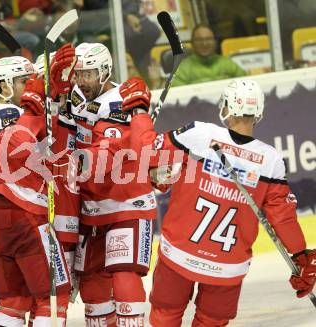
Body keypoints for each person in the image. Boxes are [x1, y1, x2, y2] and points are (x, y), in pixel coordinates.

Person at [121, 78, 316, 326]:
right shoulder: (271, 160)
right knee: (211, 322)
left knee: (165, 315)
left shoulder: (200, 133)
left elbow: (147, 150)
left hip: (179, 255)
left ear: (228, 106)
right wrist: (300, 255)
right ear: (258, 112)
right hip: (227, 267)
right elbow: (283, 217)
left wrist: (138, 111)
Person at [0, 55, 73, 326]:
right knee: (54, 295)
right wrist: (48, 110)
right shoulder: (15, 115)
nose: (31, 87)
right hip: (26, 215)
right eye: (24, 82)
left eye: (32, 81)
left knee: (13, 300)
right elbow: (29, 150)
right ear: (4, 86)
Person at [65, 42, 156, 327]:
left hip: (125, 205)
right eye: (77, 74)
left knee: (124, 274)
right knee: (92, 284)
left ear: (104, 71)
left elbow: (108, 155)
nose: (81, 80)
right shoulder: (76, 95)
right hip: (90, 208)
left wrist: (67, 163)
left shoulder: (118, 103)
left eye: (88, 74)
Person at [172, 24, 246, 86]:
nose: (204, 44)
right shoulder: (183, 70)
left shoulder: (227, 64)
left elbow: (246, 83)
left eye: (208, 39)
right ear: (192, 44)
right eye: (199, 40)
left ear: (215, 42)